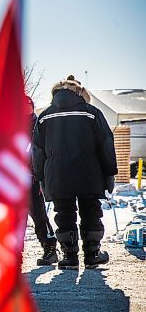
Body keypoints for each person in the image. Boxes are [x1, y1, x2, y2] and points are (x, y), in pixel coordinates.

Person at [32, 75, 117, 270]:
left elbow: (37, 150)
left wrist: (40, 176)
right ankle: (93, 253)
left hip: (57, 174)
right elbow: (106, 144)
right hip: (89, 172)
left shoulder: (44, 116)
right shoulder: (92, 113)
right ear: (79, 93)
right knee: (91, 211)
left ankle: (69, 256)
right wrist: (109, 171)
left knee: (63, 213)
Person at [26, 95, 58, 266]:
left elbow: (45, 153)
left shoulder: (40, 125)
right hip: (13, 180)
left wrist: (41, 179)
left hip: (33, 180)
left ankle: (50, 249)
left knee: (39, 217)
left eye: (27, 105)